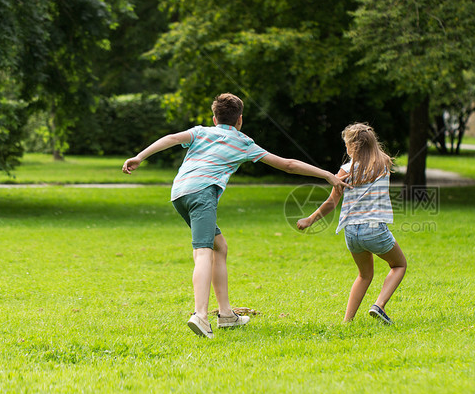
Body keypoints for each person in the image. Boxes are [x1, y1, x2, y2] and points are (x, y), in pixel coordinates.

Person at [123, 93, 348, 339]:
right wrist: (327, 175)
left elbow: (172, 138)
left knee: (220, 247)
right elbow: (288, 165)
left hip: (180, 193)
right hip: (202, 194)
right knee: (203, 252)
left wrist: (140, 156)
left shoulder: (201, 132)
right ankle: (200, 315)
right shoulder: (243, 142)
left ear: (214, 118)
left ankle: (227, 315)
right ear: (240, 120)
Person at [296, 123, 407, 324]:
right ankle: (379, 305)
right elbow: (379, 155)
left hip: (351, 232)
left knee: (364, 275)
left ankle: (347, 321)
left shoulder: (345, 171)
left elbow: (331, 203)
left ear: (351, 147)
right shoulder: (382, 163)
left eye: (347, 144)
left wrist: (310, 219)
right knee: (399, 265)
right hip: (374, 229)